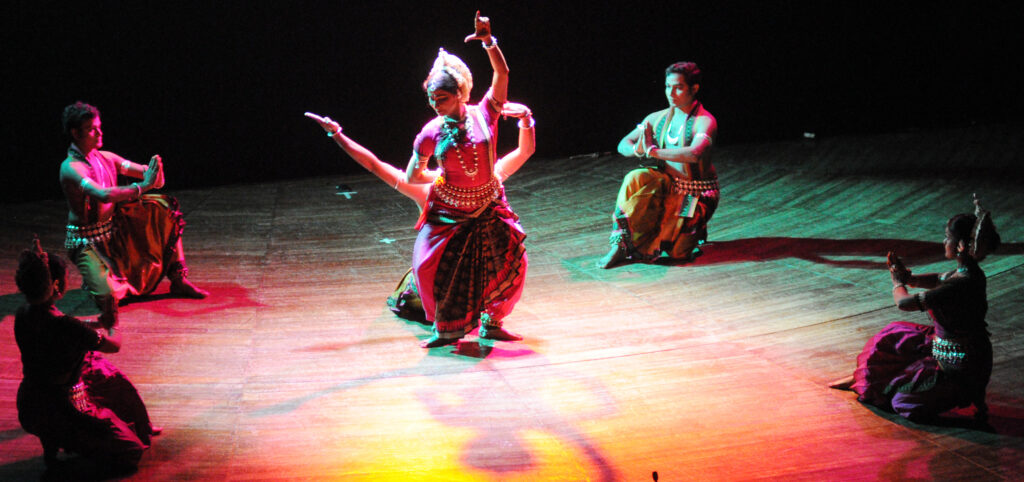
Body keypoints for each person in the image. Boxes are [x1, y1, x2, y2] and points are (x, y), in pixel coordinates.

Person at [305, 99, 535, 322]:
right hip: (438, 277)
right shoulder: (425, 188)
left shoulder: (487, 178)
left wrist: (526, 119)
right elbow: (374, 164)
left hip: (474, 270)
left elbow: (525, 151)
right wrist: (336, 134)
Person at [829, 195, 1001, 424]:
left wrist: (897, 282)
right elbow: (938, 278)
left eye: (947, 238)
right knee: (894, 336)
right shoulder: (965, 274)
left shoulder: (961, 283)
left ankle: (958, 393)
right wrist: (910, 277)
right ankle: (860, 379)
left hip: (960, 363)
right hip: (954, 347)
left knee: (902, 403)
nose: (944, 242)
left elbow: (904, 304)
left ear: (961, 246)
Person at [14, 237, 158, 473]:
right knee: (131, 450)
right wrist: (113, 325)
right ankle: (74, 442)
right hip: (61, 407)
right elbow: (113, 345)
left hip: (30, 402)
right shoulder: (64, 325)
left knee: (93, 364)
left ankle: (55, 443)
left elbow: (67, 328)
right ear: (58, 286)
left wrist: (96, 323)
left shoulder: (24, 313)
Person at [59, 102, 207, 327]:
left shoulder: (106, 157)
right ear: (75, 133)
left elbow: (142, 172)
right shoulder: (71, 167)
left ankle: (178, 279)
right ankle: (95, 282)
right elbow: (103, 194)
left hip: (114, 230)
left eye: (99, 126)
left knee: (163, 208)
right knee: (111, 297)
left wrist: (155, 173)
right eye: (92, 129)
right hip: (85, 242)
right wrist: (142, 186)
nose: (100, 132)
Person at [600, 61, 719, 268]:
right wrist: (637, 149)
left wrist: (653, 151)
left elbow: (695, 153)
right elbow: (623, 144)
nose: (671, 93)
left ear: (694, 88)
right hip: (666, 184)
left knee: (677, 253)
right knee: (634, 177)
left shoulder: (705, 121)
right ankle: (619, 245)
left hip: (695, 193)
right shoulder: (657, 118)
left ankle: (695, 227)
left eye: (678, 87)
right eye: (667, 86)